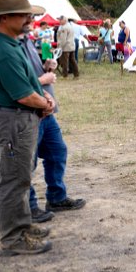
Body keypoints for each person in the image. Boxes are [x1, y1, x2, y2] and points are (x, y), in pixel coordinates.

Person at [0, 0, 55, 256]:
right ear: (4, 18)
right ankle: (12, 239)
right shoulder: (2, 49)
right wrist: (45, 104)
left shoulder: (9, 42)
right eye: (24, 15)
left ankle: (21, 226)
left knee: (20, 177)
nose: (30, 19)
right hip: (13, 121)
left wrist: (42, 95)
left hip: (16, 119)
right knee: (13, 180)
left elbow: (28, 83)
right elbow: (22, 94)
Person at [18, 33, 87, 221]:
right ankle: (29, 207)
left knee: (57, 152)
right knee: (26, 163)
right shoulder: (10, 46)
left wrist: (45, 66)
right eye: (27, 15)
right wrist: (43, 80)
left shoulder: (28, 41)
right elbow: (16, 83)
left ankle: (56, 198)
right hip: (29, 113)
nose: (31, 19)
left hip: (45, 113)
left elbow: (30, 73)